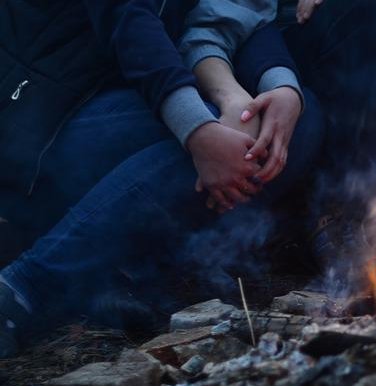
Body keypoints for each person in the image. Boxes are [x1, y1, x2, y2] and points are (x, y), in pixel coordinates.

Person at [0, 0, 325, 358]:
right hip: (37, 114)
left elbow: (235, 15)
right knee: (216, 138)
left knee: (288, 124)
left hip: (119, 97)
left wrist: (279, 86)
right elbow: (128, 19)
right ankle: (24, 289)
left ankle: (108, 268)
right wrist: (198, 131)